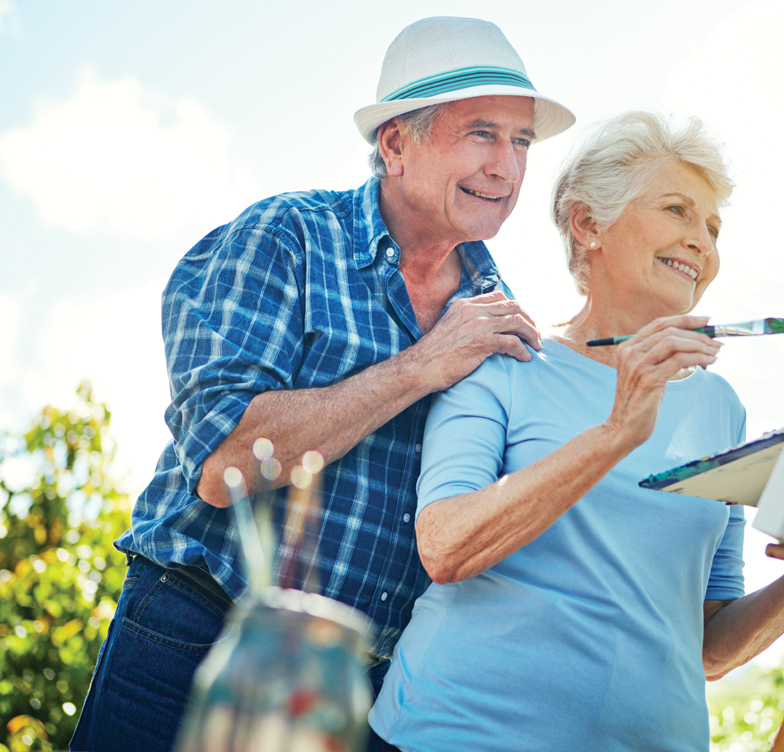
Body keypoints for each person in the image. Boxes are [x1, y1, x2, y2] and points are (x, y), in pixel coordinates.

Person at [70, 16, 575, 752]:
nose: (507, 166)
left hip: (357, 685)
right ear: (396, 145)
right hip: (201, 633)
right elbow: (226, 466)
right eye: (481, 134)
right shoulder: (286, 238)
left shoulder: (498, 319)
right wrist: (418, 367)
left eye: (521, 142)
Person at [367, 112, 784, 752]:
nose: (702, 241)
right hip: (457, 733)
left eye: (713, 227)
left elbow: (709, 645)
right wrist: (617, 431)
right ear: (588, 224)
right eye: (677, 210)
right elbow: (446, 548)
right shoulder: (507, 362)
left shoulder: (721, 408)